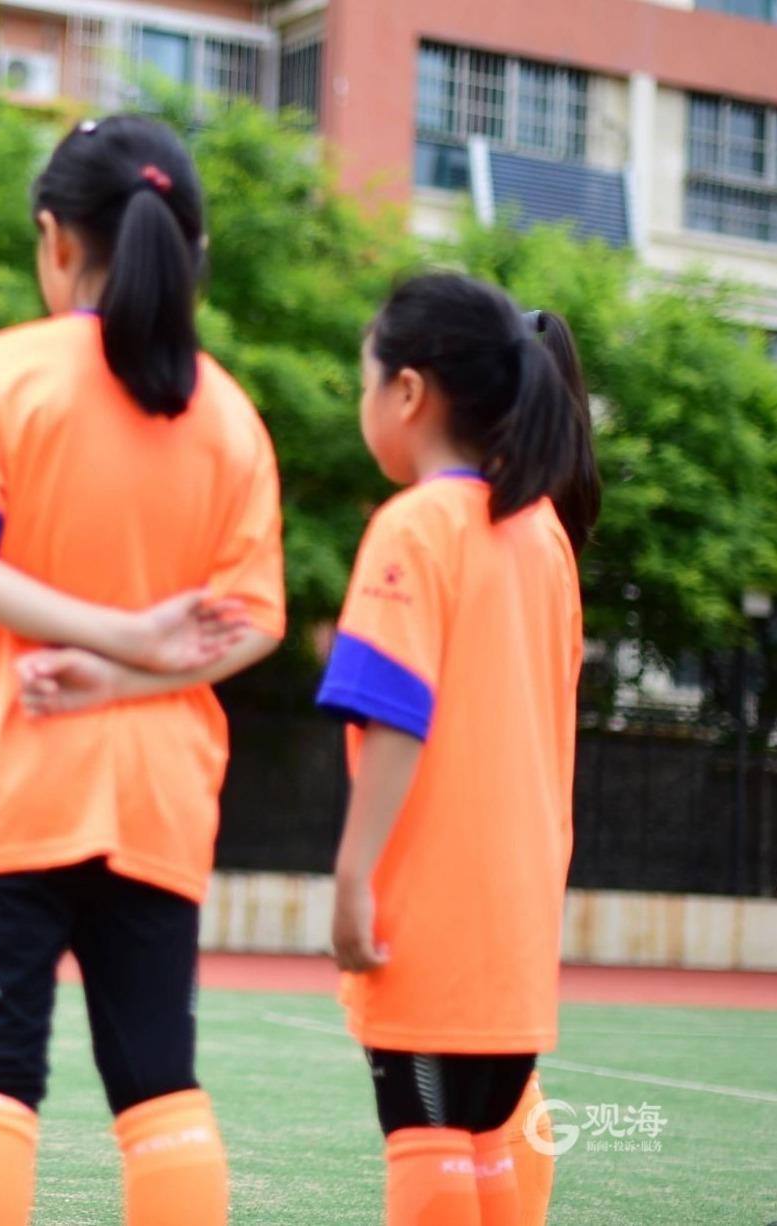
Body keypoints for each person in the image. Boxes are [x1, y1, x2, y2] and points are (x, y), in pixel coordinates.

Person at [0, 115, 286, 1226]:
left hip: (16, 783)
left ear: (54, 239)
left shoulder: (5, 371)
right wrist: (134, 661)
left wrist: (107, 649)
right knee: (159, 1085)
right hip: (161, 799)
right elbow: (254, 622)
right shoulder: (231, 416)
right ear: (191, 251)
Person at [317, 274, 598, 1226]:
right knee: (487, 1145)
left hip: (433, 902)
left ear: (407, 392)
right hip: (518, 907)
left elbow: (395, 713)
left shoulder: (415, 525)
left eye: (365, 382)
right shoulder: (543, 537)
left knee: (428, 1142)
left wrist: (354, 875)